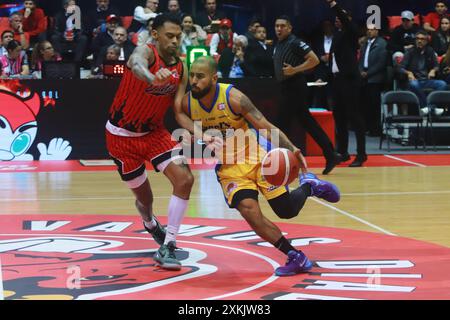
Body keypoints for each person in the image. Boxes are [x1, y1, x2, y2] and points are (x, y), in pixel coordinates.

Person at [175, 56, 341, 276]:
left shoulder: (234, 98)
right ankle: (295, 256)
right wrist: (201, 134)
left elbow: (264, 125)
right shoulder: (188, 101)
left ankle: (310, 186)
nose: (194, 81)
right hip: (229, 168)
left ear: (214, 78)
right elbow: (179, 115)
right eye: (193, 75)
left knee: (286, 210)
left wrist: (292, 149)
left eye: (200, 76)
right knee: (249, 211)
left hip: (257, 159)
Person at [106, 14, 194, 271]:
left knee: (185, 179)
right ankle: (150, 223)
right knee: (145, 198)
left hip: (155, 134)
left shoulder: (181, 67)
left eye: (179, 36)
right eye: (170, 36)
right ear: (155, 34)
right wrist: (151, 77)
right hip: (121, 137)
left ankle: (169, 244)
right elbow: (135, 64)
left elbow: (178, 112)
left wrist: (202, 132)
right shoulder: (146, 51)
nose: (175, 41)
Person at [273, 15, 338, 175]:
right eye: (276, 26)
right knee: (307, 122)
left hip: (294, 86)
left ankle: (283, 162)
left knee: (282, 124)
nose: (279, 29)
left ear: (289, 28)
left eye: (282, 26)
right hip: (286, 86)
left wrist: (295, 70)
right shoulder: (279, 43)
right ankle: (331, 154)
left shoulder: (295, 42)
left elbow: (314, 60)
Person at [326, 0, 367, 168]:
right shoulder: (338, 34)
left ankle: (361, 154)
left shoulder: (351, 32)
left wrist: (334, 5)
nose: (337, 19)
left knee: (354, 116)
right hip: (337, 80)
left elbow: (345, 20)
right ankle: (343, 152)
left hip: (350, 80)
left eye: (340, 17)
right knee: (339, 117)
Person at [399, 30, 447, 108]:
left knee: (442, 84)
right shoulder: (410, 51)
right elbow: (400, 68)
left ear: (426, 41)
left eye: (422, 39)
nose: (419, 41)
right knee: (413, 84)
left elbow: (436, 65)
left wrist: (433, 70)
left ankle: (432, 106)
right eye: (417, 39)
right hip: (415, 80)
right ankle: (428, 107)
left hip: (427, 80)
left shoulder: (430, 51)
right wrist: (408, 73)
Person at [359, 24, 388, 137]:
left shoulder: (382, 44)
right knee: (365, 104)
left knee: (374, 105)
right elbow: (361, 59)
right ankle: (367, 127)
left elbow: (381, 63)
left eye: (372, 29)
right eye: (368, 29)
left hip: (375, 78)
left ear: (377, 31)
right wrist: (360, 71)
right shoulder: (365, 43)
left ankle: (375, 129)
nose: (370, 31)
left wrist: (368, 73)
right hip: (364, 76)